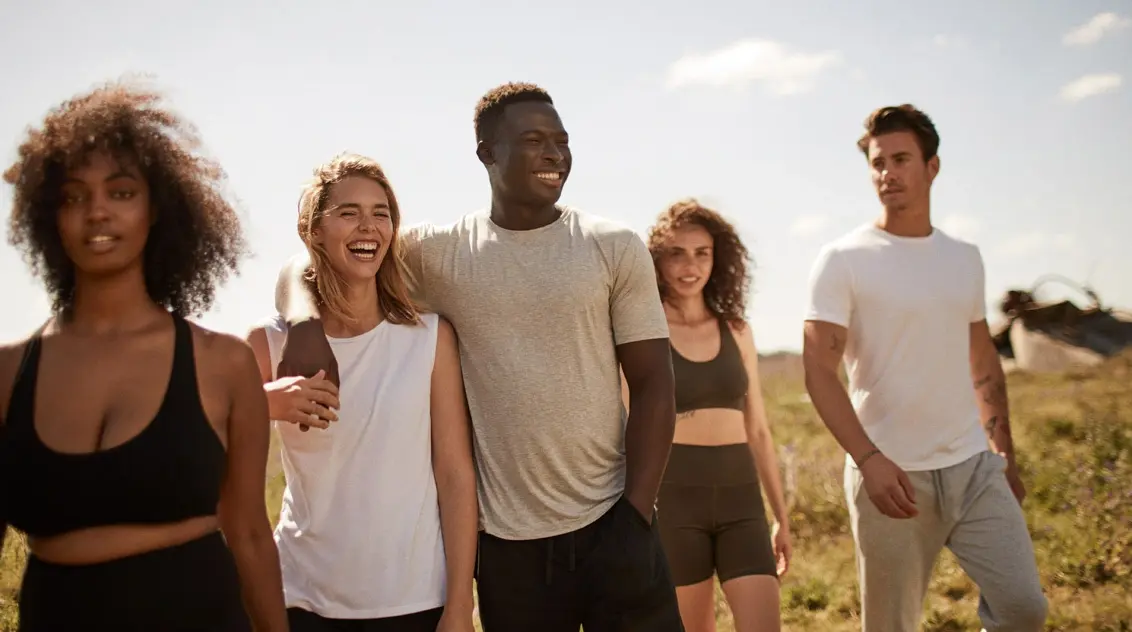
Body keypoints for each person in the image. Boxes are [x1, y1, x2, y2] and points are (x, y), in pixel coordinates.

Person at [274, 82, 685, 631]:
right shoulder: (437, 253)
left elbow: (655, 382)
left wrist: (635, 515)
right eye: (534, 139)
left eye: (561, 141)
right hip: (506, 547)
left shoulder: (612, 246)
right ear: (487, 153)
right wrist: (303, 324)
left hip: (613, 521)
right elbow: (314, 258)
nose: (554, 154)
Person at [0, 80, 287, 631]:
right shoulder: (10, 374)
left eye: (121, 191)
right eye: (73, 196)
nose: (97, 212)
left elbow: (250, 534)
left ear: (158, 208)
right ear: (48, 216)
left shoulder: (221, 363)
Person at [802, 104, 1048, 632]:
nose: (887, 173)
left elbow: (982, 358)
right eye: (877, 162)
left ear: (932, 167)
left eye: (901, 159)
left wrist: (1003, 452)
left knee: (1025, 608)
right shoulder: (843, 258)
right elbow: (818, 372)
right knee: (892, 626)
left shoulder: (964, 258)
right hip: (891, 473)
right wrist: (868, 459)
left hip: (974, 467)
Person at [246, 153, 479, 632]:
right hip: (302, 597)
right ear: (313, 231)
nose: (367, 226)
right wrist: (261, 404)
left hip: (416, 598)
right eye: (348, 213)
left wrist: (459, 605)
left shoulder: (430, 337)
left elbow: (454, 474)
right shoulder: (267, 344)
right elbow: (220, 468)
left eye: (381, 213)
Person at [643, 200, 790, 632]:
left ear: (717, 257)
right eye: (677, 253)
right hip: (674, 501)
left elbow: (759, 430)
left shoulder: (737, 330)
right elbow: (629, 425)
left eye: (701, 253)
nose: (690, 266)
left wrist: (781, 515)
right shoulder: (646, 330)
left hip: (741, 500)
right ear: (659, 259)